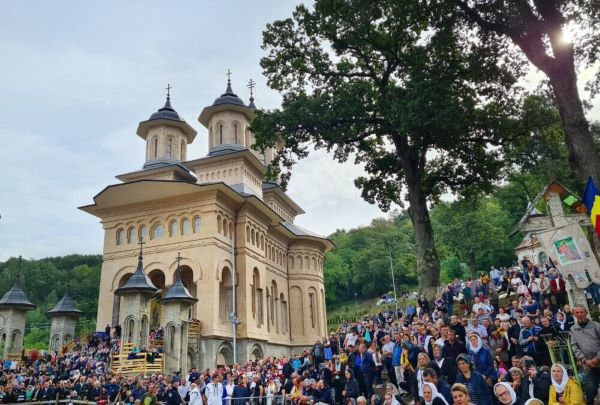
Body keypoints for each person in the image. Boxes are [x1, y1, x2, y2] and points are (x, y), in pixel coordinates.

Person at [570, 305, 600, 405]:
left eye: (581, 312)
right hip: (589, 364)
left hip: (598, 359)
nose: (579, 314)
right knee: (591, 388)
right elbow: (574, 346)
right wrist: (585, 360)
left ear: (586, 313)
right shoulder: (573, 329)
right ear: (574, 314)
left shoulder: (596, 325)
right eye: (577, 313)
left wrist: (597, 358)